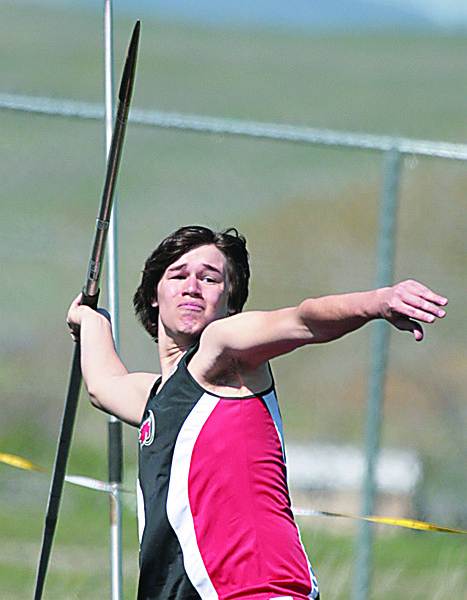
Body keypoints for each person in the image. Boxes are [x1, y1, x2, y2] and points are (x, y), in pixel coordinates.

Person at [67, 225, 447, 600]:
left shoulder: (221, 352)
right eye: (178, 275)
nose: (192, 287)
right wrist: (90, 320)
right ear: (154, 295)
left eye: (209, 278)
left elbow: (303, 320)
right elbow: (103, 386)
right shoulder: (156, 398)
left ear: (230, 301)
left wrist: (377, 302)